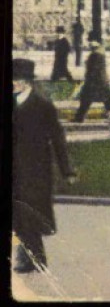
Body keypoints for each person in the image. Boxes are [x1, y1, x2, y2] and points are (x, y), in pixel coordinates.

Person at [12, 58, 77, 273]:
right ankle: (32, 256)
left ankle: (33, 257)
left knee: (28, 211)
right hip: (14, 169)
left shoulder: (42, 106)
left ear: (28, 82)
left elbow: (58, 138)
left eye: (18, 79)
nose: (13, 83)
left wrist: (67, 170)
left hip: (35, 169)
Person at [75, 41, 110, 123]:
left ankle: (79, 118)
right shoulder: (100, 55)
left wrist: (87, 80)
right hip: (102, 83)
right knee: (108, 103)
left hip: (94, 83)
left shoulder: (95, 55)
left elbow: (93, 70)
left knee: (85, 100)